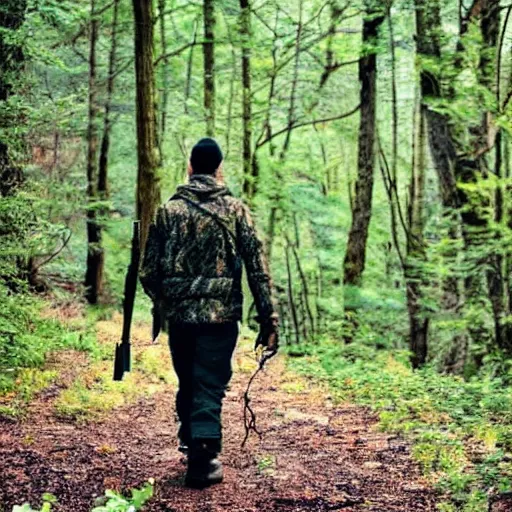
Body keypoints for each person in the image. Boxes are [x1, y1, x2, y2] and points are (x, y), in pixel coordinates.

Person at [140, 138, 278, 489]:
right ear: (219, 169)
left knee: (190, 380)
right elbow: (257, 269)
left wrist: (167, 301)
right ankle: (202, 456)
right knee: (207, 384)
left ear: (190, 167)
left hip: (181, 318)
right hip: (220, 318)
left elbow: (147, 272)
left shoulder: (167, 212)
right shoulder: (236, 210)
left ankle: (194, 444)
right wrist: (268, 319)